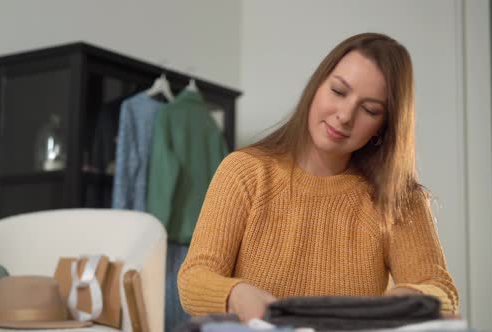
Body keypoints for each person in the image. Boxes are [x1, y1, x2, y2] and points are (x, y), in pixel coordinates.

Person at [177, 32, 459, 323]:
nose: (345, 115)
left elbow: (442, 290)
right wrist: (234, 293)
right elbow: (193, 279)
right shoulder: (245, 172)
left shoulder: (398, 198)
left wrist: (411, 296)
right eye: (338, 91)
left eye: (369, 110)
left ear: (383, 127)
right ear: (316, 87)